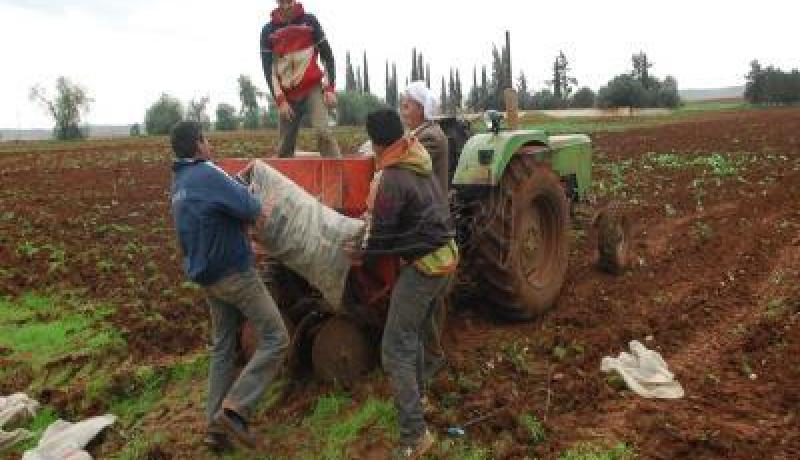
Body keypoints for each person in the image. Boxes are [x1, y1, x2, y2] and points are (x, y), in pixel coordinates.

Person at [169, 121, 289, 451]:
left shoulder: (179, 182)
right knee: (277, 337)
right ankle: (236, 410)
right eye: (206, 139)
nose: (210, 145)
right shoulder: (208, 172)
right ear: (198, 145)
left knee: (223, 346)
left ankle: (214, 429)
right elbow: (249, 206)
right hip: (235, 274)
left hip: (206, 276)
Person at [350, 109, 458, 459]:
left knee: (395, 346)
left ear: (377, 142)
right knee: (413, 335)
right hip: (448, 257)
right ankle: (420, 398)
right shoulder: (418, 157)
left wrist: (359, 257)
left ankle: (414, 436)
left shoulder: (393, 177)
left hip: (425, 266)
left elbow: (381, 237)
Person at [399, 80, 451, 382]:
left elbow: (405, 162)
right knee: (431, 294)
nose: (403, 109)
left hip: (430, 224)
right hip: (423, 222)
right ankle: (429, 354)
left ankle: (431, 357)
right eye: (403, 104)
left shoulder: (431, 138)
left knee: (429, 293)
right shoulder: (417, 135)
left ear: (421, 108)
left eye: (407, 105)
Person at [260, 0, 340, 158]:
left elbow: (327, 56)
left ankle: (338, 178)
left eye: (289, 1)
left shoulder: (310, 21)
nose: (286, 5)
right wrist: (280, 100)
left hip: (312, 88)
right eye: (282, 2)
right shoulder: (267, 31)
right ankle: (283, 180)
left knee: (323, 132)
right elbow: (269, 70)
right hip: (287, 94)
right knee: (285, 145)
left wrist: (330, 89)